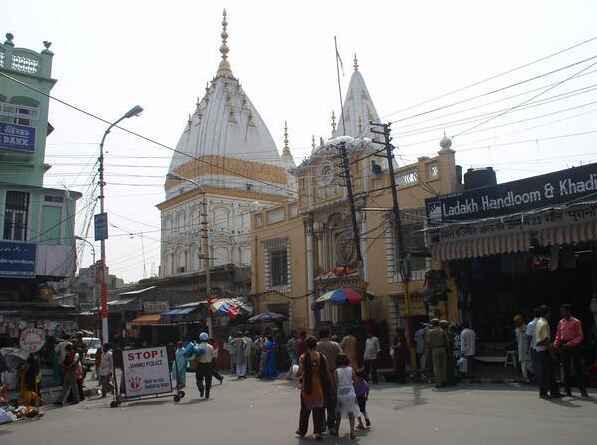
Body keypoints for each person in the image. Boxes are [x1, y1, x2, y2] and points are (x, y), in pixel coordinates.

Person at [296, 336, 331, 440]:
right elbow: (326, 372)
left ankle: (302, 431)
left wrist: (296, 373)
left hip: (306, 387)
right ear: (316, 345)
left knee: (305, 410)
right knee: (318, 410)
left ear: (306, 346)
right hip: (318, 387)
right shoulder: (322, 356)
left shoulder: (303, 357)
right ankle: (318, 432)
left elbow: (299, 373)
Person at [554, 304, 588, 398]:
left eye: (564, 311)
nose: (562, 313)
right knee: (566, 369)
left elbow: (580, 336)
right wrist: (556, 344)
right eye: (561, 312)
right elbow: (558, 334)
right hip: (563, 346)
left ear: (568, 311)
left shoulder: (576, 322)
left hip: (574, 346)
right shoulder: (561, 322)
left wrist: (570, 344)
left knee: (578, 369)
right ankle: (567, 390)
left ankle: (583, 391)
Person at [316, 329, 342, 434]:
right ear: (329, 335)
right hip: (332, 374)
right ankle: (331, 425)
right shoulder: (335, 345)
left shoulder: (317, 345)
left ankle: (321, 425)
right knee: (332, 401)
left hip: (319, 376)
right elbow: (342, 356)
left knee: (320, 401)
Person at [535, 305, 560, 399]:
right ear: (547, 313)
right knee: (547, 373)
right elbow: (545, 340)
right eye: (549, 313)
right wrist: (552, 353)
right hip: (545, 350)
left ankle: (553, 391)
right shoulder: (544, 323)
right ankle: (544, 393)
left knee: (547, 372)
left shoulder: (539, 322)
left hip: (540, 350)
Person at [334, 353, 360, 440]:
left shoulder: (336, 371)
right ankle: (352, 432)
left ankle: (336, 431)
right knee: (351, 413)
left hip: (340, 393)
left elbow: (336, 384)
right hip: (350, 393)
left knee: (338, 413)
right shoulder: (350, 369)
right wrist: (351, 385)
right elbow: (355, 381)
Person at [426, 319, 449, 388]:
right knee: (443, 366)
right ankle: (444, 381)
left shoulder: (430, 331)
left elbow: (428, 342)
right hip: (442, 349)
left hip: (435, 349)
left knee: (436, 367)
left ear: (432, 324)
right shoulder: (442, 331)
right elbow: (447, 341)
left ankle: (438, 383)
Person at [194, 332, 215, 399]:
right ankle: (207, 394)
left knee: (199, 379)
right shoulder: (211, 347)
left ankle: (201, 389)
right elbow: (213, 357)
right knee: (208, 380)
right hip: (208, 365)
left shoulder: (197, 347)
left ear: (200, 339)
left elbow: (196, 357)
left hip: (200, 365)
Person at [514, 315, 531, 382]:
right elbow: (517, 340)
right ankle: (526, 378)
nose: (517, 323)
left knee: (529, 364)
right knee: (523, 364)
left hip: (528, 348)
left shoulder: (527, 327)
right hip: (521, 349)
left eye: (518, 321)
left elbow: (529, 338)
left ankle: (532, 376)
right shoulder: (516, 330)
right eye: (516, 322)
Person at [526, 307, 541, 382]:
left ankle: (536, 378)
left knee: (534, 364)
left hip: (534, 347)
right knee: (541, 364)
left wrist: (527, 348)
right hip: (543, 347)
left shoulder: (531, 324)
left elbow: (529, 337)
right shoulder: (544, 323)